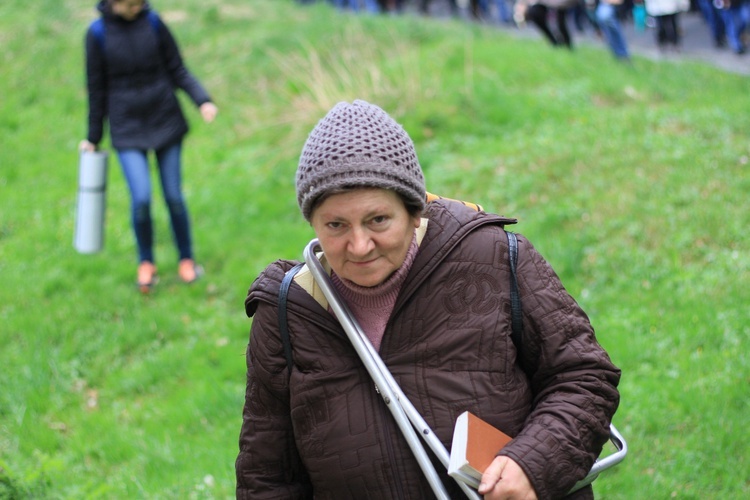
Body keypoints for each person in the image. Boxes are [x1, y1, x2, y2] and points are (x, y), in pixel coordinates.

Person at [236, 100, 621, 499]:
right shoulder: (287, 313)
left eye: (378, 220)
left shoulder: (491, 258)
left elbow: (584, 379)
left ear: (415, 210)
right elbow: (267, 478)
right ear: (312, 223)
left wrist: (532, 463)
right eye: (336, 225)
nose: (360, 245)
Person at [80, 0, 217, 293]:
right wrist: (93, 137)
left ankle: (187, 259)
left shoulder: (154, 23)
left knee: (173, 196)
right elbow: (96, 89)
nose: (137, 6)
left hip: (165, 119)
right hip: (126, 126)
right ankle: (146, 262)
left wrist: (202, 100)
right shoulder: (97, 34)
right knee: (141, 198)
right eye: (131, 3)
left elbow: (177, 68)